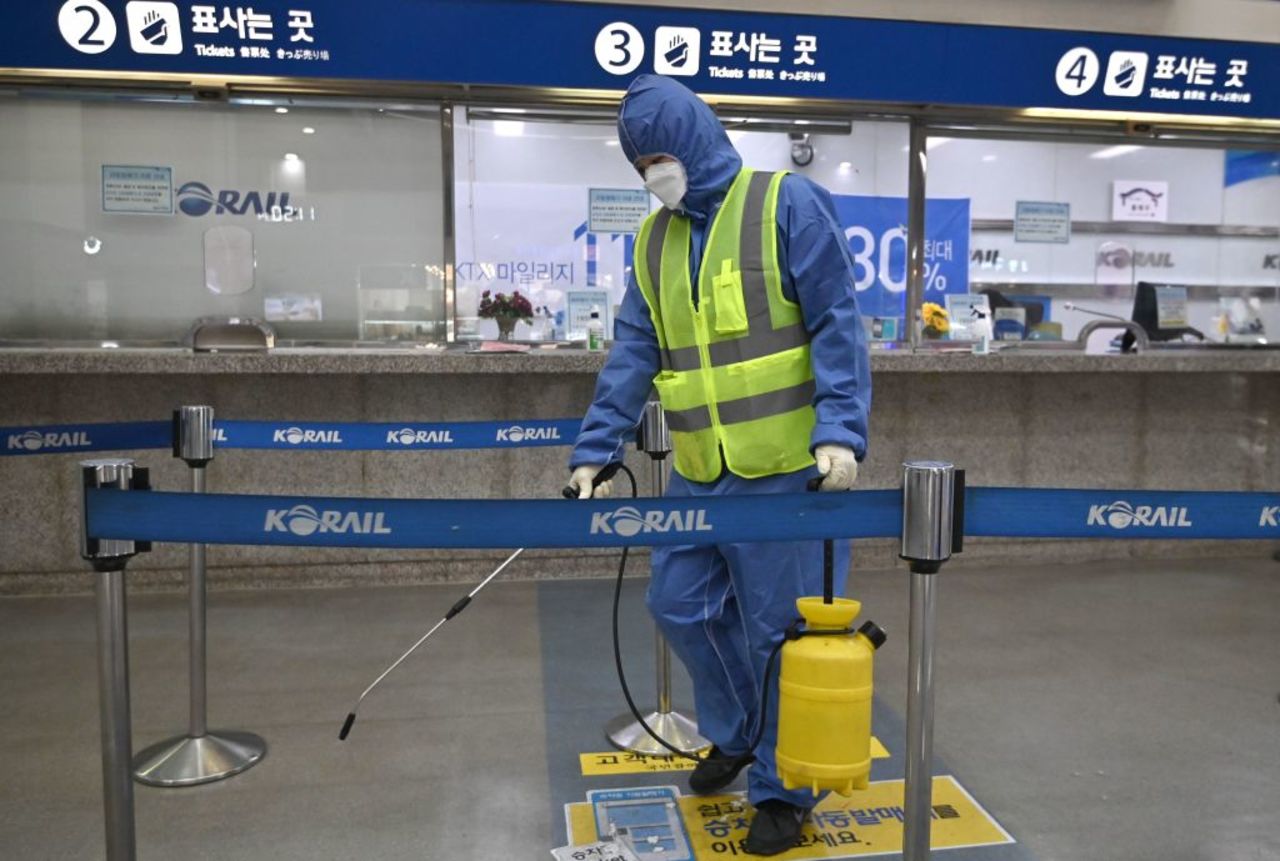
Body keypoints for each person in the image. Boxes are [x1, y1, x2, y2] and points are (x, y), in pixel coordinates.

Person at [568, 75, 871, 856]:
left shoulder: (785, 205)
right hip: (700, 470)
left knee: (778, 632)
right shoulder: (652, 239)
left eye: (661, 156)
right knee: (678, 603)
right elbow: (635, 348)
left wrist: (841, 429)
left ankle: (782, 790)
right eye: (641, 165)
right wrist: (597, 449)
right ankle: (736, 733)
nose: (653, 174)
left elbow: (838, 319)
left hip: (785, 469)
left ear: (696, 142)